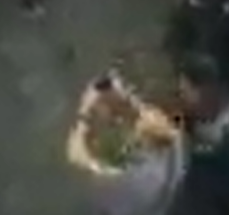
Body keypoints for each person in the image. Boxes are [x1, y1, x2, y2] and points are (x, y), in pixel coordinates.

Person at [64, 72, 186, 215]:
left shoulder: (164, 147)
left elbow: (85, 159)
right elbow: (77, 156)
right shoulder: (120, 140)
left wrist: (87, 115)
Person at [173, 56, 229, 215]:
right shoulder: (199, 110)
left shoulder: (227, 134)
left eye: (186, 89)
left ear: (203, 90)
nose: (181, 94)